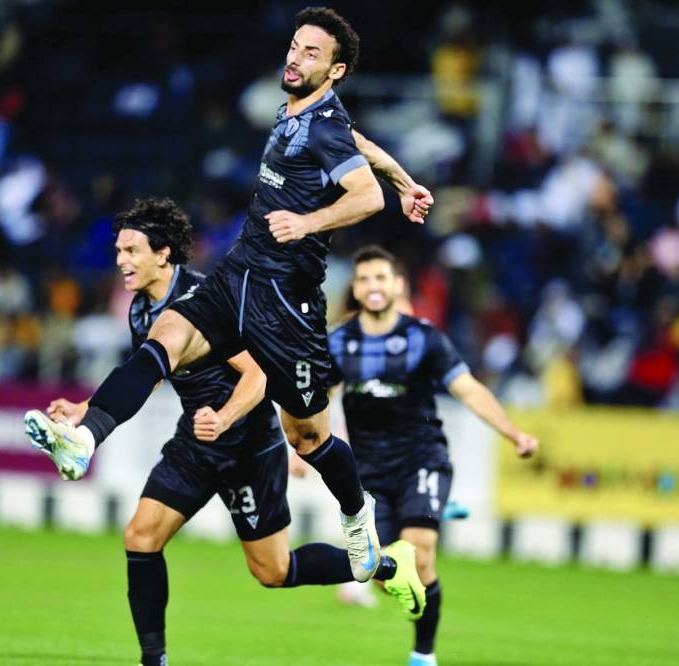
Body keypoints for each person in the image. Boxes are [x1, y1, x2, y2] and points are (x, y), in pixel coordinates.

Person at [23, 6, 434, 586]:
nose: (295, 58)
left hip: (287, 303)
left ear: (337, 70)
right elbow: (361, 145)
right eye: (294, 46)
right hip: (237, 275)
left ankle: (356, 514)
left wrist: (308, 222)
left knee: (308, 437)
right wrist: (406, 180)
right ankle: (85, 438)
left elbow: (365, 197)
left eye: (312, 53)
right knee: (166, 335)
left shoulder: (323, 125)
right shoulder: (297, 111)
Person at [27, 198, 426, 666]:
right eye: (118, 251)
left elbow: (259, 373)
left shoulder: (207, 300)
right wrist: (85, 408)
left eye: (131, 250)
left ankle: (388, 563)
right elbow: (148, 375)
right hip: (196, 442)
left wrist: (226, 416)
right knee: (140, 536)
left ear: (163, 254)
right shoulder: (140, 312)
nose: (120, 260)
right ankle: (154, 661)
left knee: (273, 570)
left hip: (249, 443)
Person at [324, 245, 539, 666]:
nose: (372, 286)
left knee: (420, 553)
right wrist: (301, 452)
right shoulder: (339, 342)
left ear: (398, 285)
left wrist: (513, 433)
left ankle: (423, 654)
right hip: (367, 471)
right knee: (378, 573)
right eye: (364, 279)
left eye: (381, 277)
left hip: (420, 459)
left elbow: (469, 389)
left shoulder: (425, 338)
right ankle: (431, 518)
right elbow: (319, 401)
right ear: (356, 288)